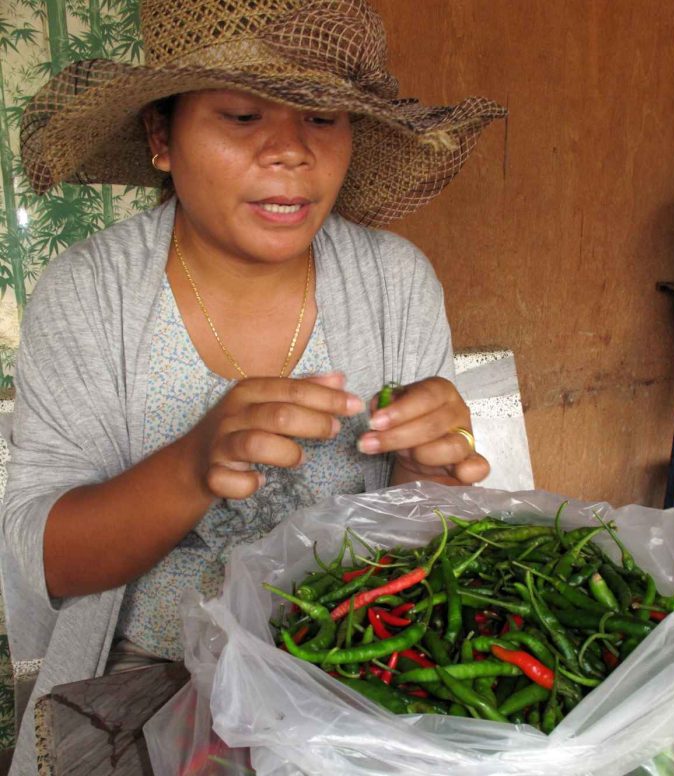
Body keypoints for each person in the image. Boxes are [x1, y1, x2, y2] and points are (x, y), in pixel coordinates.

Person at [2, 0, 506, 771]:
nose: (290, 153)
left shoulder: (395, 284)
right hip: (141, 691)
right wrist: (190, 464)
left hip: (350, 679)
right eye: (242, 115)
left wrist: (426, 477)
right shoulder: (90, 294)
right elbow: (46, 562)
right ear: (161, 137)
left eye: (322, 118)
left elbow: (414, 555)